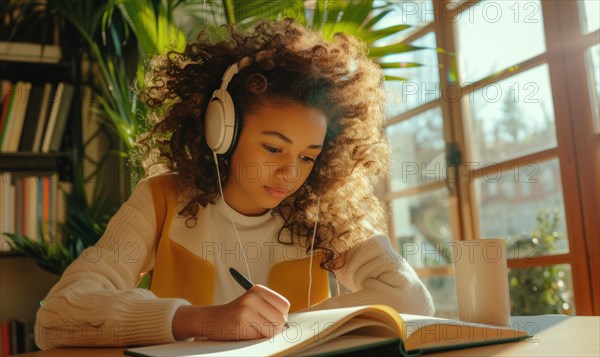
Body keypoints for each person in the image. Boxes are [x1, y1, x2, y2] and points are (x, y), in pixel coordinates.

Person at [35, 18, 434, 349]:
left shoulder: (324, 211)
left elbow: (410, 297)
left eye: (308, 156)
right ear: (220, 133)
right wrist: (201, 320)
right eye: (274, 149)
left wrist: (283, 327)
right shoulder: (161, 199)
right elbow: (59, 316)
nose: (291, 173)